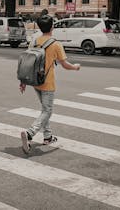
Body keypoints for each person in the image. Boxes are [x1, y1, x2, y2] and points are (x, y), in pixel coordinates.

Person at [19, 14, 80, 154]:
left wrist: (23, 82)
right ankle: (30, 133)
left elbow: (28, 63)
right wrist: (75, 67)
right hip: (47, 82)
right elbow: (65, 65)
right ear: (52, 26)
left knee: (44, 110)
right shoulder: (56, 44)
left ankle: (47, 136)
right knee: (47, 111)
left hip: (35, 81)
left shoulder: (34, 41)